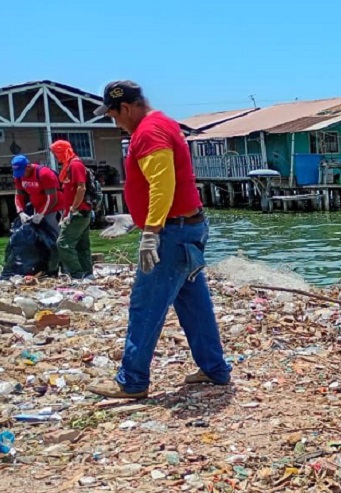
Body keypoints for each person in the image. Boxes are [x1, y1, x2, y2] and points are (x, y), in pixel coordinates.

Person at [87, 80, 231, 400]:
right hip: (186, 227)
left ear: (126, 108)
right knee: (193, 302)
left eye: (114, 115)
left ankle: (132, 381)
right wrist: (136, 217)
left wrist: (150, 232)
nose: (115, 122)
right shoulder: (161, 123)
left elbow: (162, 183)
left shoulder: (149, 131)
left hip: (171, 232)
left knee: (146, 304)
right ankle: (214, 368)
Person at [51, 140, 95, 279]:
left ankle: (77, 274)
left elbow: (81, 188)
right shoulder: (68, 166)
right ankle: (87, 274)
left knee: (63, 244)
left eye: (57, 153)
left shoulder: (75, 165)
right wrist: (65, 214)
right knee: (82, 245)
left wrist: (73, 209)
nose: (56, 157)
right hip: (75, 212)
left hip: (79, 212)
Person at [11, 155, 61, 274]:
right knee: (37, 239)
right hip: (37, 208)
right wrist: (21, 212)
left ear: (28, 166)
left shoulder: (44, 174)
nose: (21, 175)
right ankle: (42, 267)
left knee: (56, 238)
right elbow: (19, 195)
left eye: (22, 171)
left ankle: (61, 267)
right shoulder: (19, 177)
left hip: (54, 208)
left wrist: (41, 214)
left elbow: (52, 198)